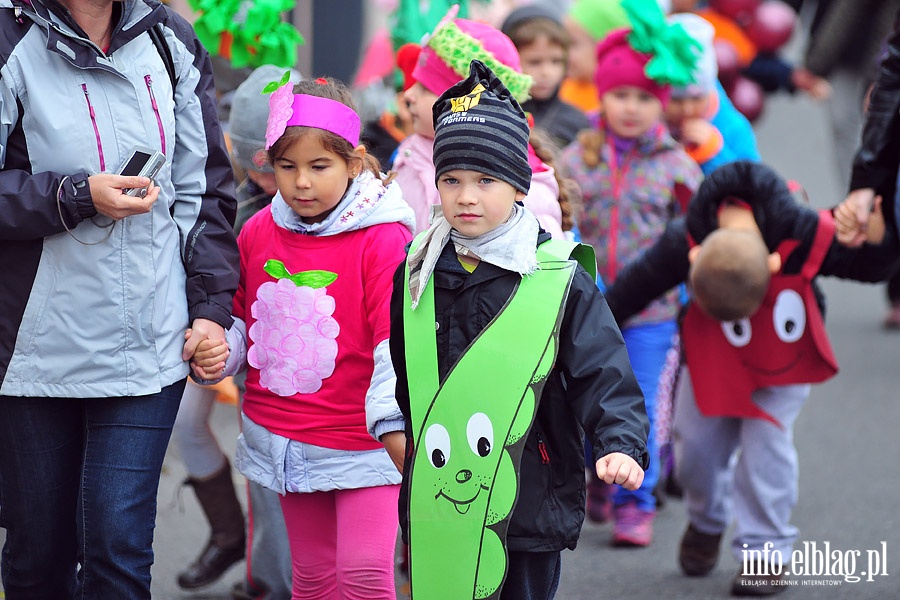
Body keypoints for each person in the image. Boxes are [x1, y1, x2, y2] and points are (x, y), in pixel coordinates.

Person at [0, 0, 239, 597]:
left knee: (119, 549)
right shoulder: (8, 37)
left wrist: (211, 310)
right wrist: (74, 195)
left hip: (149, 347)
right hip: (32, 355)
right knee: (39, 555)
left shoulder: (169, 38)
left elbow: (204, 190)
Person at [387, 59, 649, 600]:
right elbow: (403, 371)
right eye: (451, 180)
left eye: (486, 181)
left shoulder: (556, 275)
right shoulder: (416, 268)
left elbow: (603, 371)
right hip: (439, 495)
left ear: (520, 187)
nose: (466, 197)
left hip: (527, 497)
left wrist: (619, 442)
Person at [604, 160, 897, 596]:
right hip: (710, 357)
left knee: (767, 451)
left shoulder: (800, 229)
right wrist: (578, 338)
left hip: (781, 359)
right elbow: (629, 291)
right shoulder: (685, 236)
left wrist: (880, 235)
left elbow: (871, 266)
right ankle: (706, 522)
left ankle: (765, 552)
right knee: (695, 449)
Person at [197, 75, 416, 599]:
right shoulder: (256, 231)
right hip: (288, 436)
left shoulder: (384, 239)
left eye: (320, 167)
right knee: (312, 578)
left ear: (354, 161)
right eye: (286, 166)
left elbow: (395, 344)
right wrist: (218, 350)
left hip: (364, 439)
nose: (301, 183)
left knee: (364, 576)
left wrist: (393, 426)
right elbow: (244, 320)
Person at [558, 0, 704, 547]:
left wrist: (688, 292)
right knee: (584, 397)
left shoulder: (678, 167)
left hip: (652, 314)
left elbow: (692, 236)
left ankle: (634, 500)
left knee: (643, 402)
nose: (631, 108)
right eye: (621, 95)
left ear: (661, 103)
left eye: (645, 98)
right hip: (587, 310)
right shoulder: (577, 159)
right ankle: (601, 478)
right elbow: (562, 224)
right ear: (602, 94)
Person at [394, 7, 566, 238]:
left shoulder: (524, 183)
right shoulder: (411, 151)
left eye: (425, 88)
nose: (408, 95)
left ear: (468, 102)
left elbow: (545, 264)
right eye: (451, 180)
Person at [665, 12, 760, 175]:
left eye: (697, 98)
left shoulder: (733, 128)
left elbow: (754, 188)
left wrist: (714, 153)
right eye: (676, 99)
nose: (687, 109)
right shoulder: (643, 121)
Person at [500, 3, 591, 149]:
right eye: (535, 62)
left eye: (556, 61)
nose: (547, 73)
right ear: (508, 61)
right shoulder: (495, 116)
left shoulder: (575, 122)